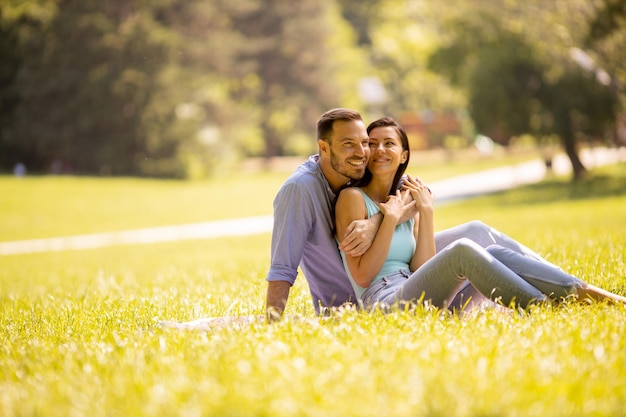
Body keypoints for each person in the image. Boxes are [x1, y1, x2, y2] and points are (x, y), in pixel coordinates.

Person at [334, 116, 626, 311]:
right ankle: (545, 307)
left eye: (389, 143)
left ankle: (586, 293)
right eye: (371, 144)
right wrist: (389, 219)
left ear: (404, 155)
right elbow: (362, 277)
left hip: (416, 291)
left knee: (495, 251)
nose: (379, 150)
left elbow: (422, 267)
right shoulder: (352, 198)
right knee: (463, 250)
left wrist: (426, 211)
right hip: (383, 302)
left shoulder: (407, 199)